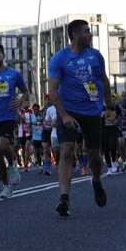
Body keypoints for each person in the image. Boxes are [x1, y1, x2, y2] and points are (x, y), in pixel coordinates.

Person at [47, 19, 113, 217]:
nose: (90, 34)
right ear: (75, 35)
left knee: (93, 155)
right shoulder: (60, 59)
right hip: (69, 110)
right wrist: (64, 115)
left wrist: (110, 107)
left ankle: (96, 180)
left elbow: (104, 80)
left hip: (92, 111)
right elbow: (52, 90)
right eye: (86, 31)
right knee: (66, 150)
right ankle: (64, 198)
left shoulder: (95, 56)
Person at [0, 43, 30, 200]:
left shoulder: (14, 74)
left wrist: (21, 101)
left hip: (7, 116)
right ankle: (6, 186)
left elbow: (25, 91)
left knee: (3, 145)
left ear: (3, 55)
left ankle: (13, 162)